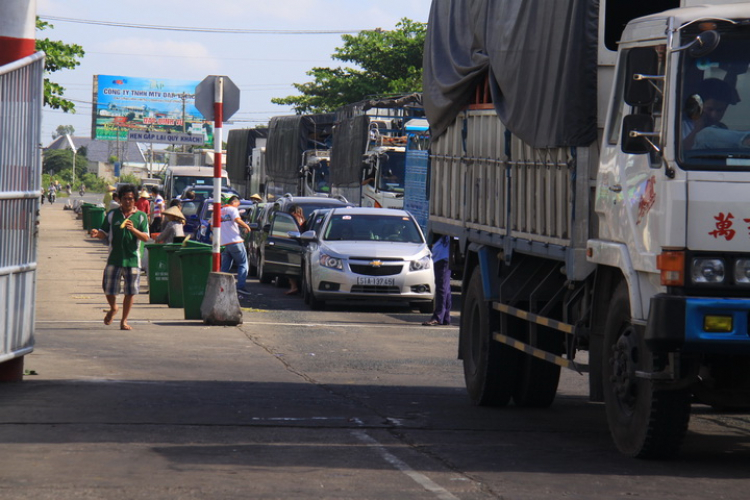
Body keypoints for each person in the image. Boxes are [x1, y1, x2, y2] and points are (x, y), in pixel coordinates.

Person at [89, 184, 150, 331]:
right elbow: (104, 232)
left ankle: (124, 320)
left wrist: (133, 229)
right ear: (120, 199)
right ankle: (113, 307)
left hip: (133, 258)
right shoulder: (112, 215)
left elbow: (146, 237)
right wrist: (97, 233)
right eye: (124, 199)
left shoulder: (141, 217)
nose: (127, 201)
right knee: (108, 288)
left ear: (135, 200)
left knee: (130, 291)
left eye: (130, 199)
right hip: (114, 257)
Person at [682, 78, 735, 150]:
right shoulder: (682, 127)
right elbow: (682, 152)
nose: (714, 115)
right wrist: (698, 129)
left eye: (720, 110)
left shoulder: (722, 129)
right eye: (709, 109)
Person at [220, 194, 251, 294]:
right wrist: (247, 227)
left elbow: (212, 225)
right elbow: (237, 220)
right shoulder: (233, 210)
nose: (238, 206)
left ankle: (221, 287)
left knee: (225, 267)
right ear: (233, 202)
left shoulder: (219, 211)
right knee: (243, 264)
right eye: (238, 204)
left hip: (224, 243)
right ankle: (240, 287)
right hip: (235, 241)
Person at [422, 235, 452, 326]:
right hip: (441, 256)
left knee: (442, 287)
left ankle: (438, 317)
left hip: (442, 256)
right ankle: (445, 317)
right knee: (445, 288)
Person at [286, 205, 306, 295]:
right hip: (303, 246)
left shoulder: (295, 221)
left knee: (291, 268)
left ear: (294, 212)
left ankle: (293, 287)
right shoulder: (304, 220)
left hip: (295, 245)